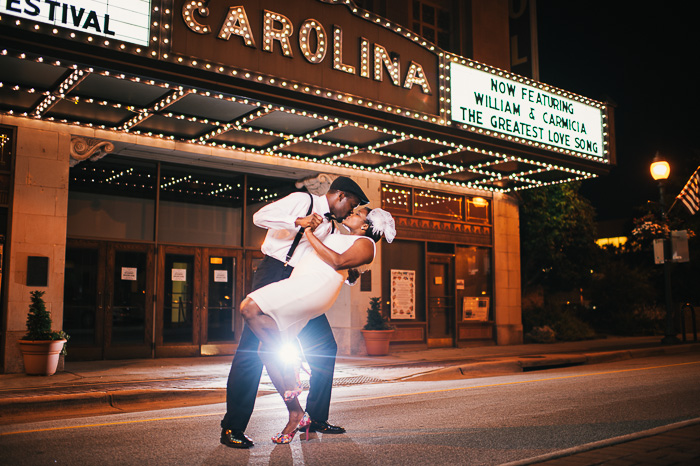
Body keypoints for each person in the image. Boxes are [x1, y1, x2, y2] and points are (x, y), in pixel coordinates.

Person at [220, 176, 369, 449]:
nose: (351, 211)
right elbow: (260, 216)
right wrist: (297, 222)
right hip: (275, 273)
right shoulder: (303, 200)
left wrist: (350, 275)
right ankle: (232, 427)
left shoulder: (333, 229)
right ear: (339, 196)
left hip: (302, 286)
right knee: (252, 352)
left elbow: (330, 258)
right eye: (353, 204)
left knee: (325, 346)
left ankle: (317, 418)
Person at [239, 207, 396, 443]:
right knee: (265, 351)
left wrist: (309, 232)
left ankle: (292, 368)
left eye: (358, 213)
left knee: (249, 308)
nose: (352, 212)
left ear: (365, 226)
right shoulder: (341, 235)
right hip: (301, 282)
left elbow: (337, 260)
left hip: (314, 287)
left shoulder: (367, 244)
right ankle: (296, 413)